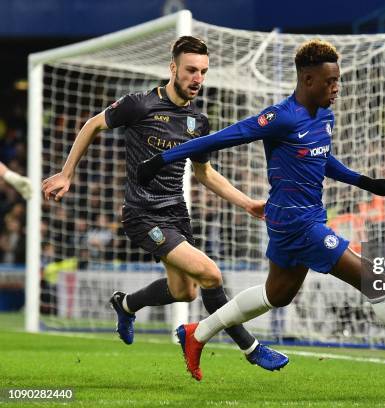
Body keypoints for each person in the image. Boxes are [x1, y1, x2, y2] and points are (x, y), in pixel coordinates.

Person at [138, 39, 385, 381]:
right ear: (308, 80)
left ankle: (195, 334)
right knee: (374, 280)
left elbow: (321, 158)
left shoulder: (323, 116)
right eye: (330, 81)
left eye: (337, 80)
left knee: (277, 294)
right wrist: (163, 158)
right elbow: (225, 137)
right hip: (296, 223)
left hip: (306, 217)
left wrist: (366, 181)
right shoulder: (282, 117)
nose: (336, 87)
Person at [41, 35, 288, 371]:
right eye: (190, 70)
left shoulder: (198, 122)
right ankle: (251, 347)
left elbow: (204, 173)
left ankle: (126, 305)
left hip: (175, 213)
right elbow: (92, 125)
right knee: (210, 275)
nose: (197, 78)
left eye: (203, 71)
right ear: (173, 68)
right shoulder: (139, 104)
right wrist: (66, 174)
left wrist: (246, 203)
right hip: (142, 214)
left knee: (184, 291)